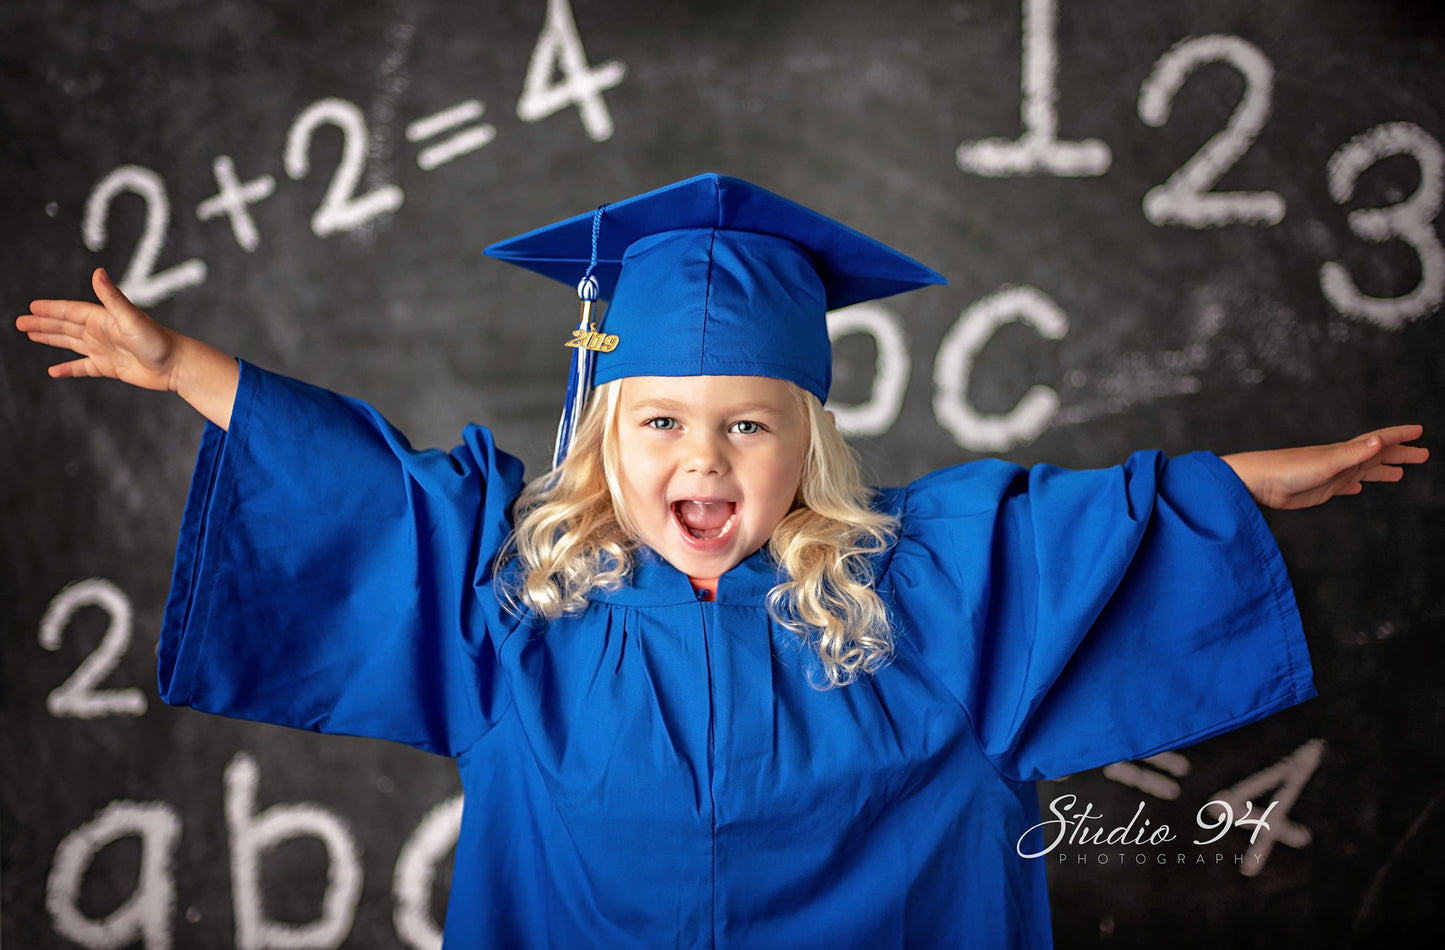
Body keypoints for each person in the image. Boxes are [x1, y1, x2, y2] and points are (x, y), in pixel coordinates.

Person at [17, 174, 1427, 948]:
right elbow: (359, 481)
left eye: (748, 422)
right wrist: (184, 364)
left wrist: (1247, 482)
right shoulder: (513, 600)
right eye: (664, 422)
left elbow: (1094, 529)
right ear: (602, 434)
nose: (704, 458)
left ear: (802, 438)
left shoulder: (920, 595)